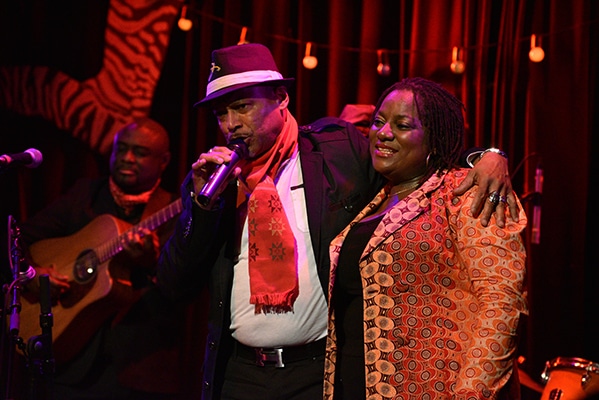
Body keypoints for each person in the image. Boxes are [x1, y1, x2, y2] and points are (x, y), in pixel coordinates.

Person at [157, 43, 517, 400]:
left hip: (317, 372)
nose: (231, 124)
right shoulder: (214, 182)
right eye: (221, 113)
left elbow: (416, 161)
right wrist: (202, 208)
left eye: (242, 107)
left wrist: (487, 156)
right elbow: (174, 284)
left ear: (280, 98)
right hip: (240, 374)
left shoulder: (336, 151)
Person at [323, 77, 528, 399]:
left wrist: (472, 393)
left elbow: (501, 304)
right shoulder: (372, 199)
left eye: (403, 125)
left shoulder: (467, 193)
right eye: (378, 122)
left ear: (435, 139)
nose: (383, 132)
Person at [15, 117, 188, 399]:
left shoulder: (175, 211)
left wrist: (151, 262)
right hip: (70, 367)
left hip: (139, 371)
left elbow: (183, 288)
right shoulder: (84, 195)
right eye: (121, 149)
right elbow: (17, 237)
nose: (127, 158)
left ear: (164, 160)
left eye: (140, 152)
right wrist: (30, 274)